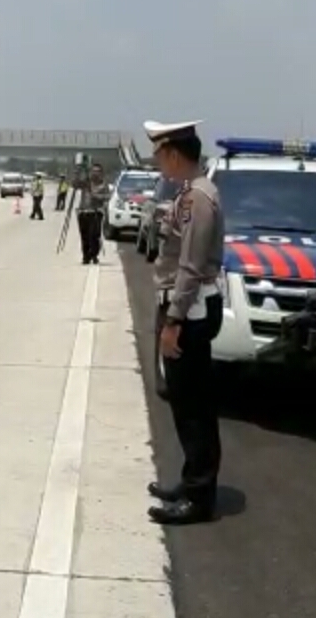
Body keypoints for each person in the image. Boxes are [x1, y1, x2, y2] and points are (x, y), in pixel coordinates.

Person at [143, 119, 225, 525]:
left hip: (188, 312)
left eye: (160, 155)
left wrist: (173, 322)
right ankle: (192, 479)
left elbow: (191, 267)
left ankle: (199, 496)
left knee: (193, 405)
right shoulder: (189, 195)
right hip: (185, 309)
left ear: (174, 153)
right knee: (185, 402)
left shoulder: (198, 199)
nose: (159, 163)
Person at [76, 163, 110, 264]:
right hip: (83, 212)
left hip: (95, 213)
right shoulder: (86, 183)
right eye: (93, 171)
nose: (95, 173)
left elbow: (107, 197)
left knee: (94, 235)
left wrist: (96, 196)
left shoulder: (103, 184)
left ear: (101, 173)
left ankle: (93, 254)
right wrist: (78, 173)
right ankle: (85, 256)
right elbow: (75, 184)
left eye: (97, 171)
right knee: (84, 236)